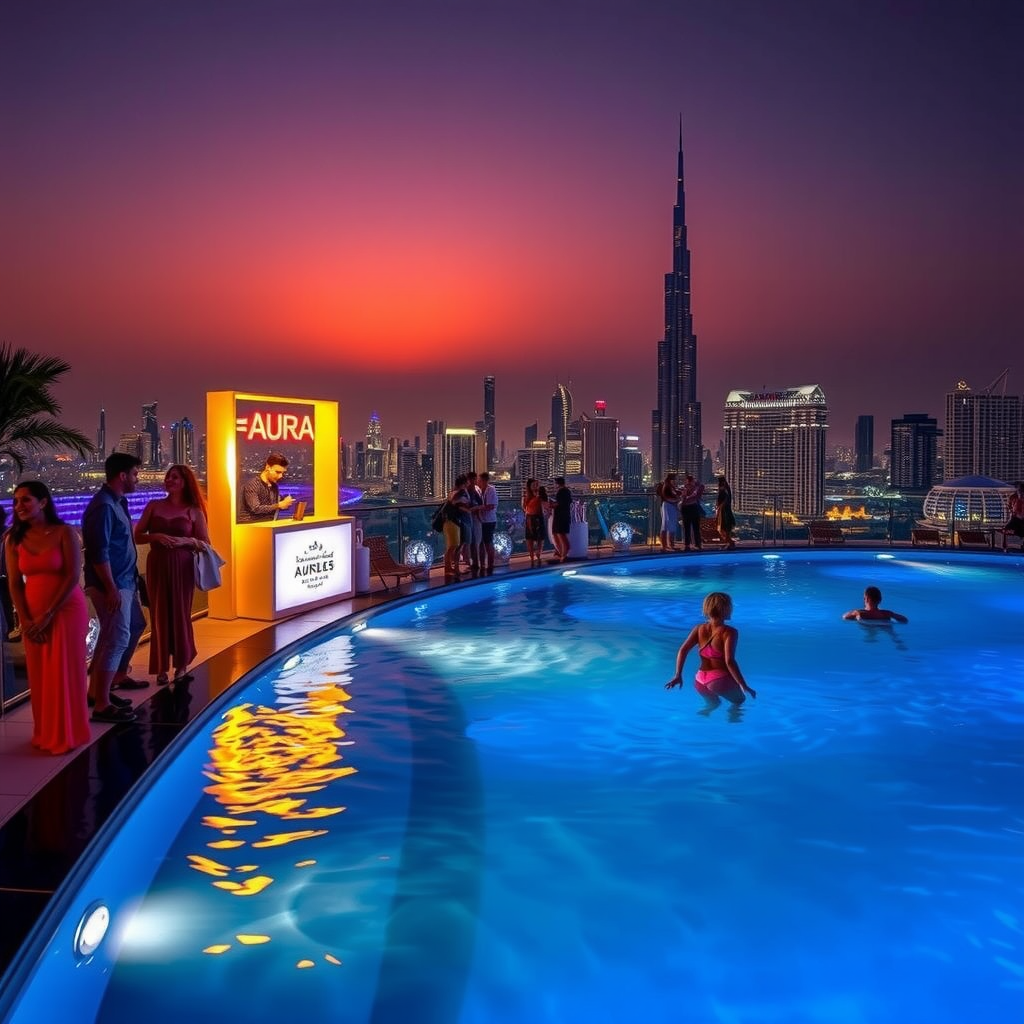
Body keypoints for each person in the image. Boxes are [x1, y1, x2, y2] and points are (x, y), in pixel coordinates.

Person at [3, 482, 91, 753]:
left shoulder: (65, 532)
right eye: (16, 501)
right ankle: (46, 732)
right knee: (41, 674)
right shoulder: (13, 539)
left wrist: (49, 613)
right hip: (32, 612)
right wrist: (26, 620)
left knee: (65, 671)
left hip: (65, 609)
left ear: (43, 502)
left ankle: (69, 733)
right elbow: (15, 583)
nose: (19, 506)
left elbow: (72, 576)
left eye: (26, 500)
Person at [82, 452, 145, 722]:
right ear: (122, 476)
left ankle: (100, 691)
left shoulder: (119, 502)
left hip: (125, 580)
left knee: (133, 626)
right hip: (113, 584)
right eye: (134, 474)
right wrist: (110, 588)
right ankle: (102, 704)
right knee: (115, 638)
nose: (137, 479)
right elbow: (99, 552)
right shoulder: (104, 506)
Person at [135, 464, 211, 685]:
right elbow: (138, 535)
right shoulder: (154, 506)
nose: (169, 480)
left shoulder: (194, 510)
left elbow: (205, 543)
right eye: (168, 476)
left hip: (183, 565)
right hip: (157, 563)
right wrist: (156, 536)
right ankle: (160, 667)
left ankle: (181, 664)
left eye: (174, 477)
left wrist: (185, 541)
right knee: (158, 614)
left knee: (180, 613)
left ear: (185, 482)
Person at [665, 591, 756, 713]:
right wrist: (743, 685)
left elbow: (683, 650)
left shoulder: (699, 629)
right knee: (739, 701)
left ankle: (701, 722)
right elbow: (729, 661)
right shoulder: (729, 632)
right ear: (726, 609)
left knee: (713, 704)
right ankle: (732, 725)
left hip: (700, 680)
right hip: (718, 680)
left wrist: (678, 675)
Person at [238, 453, 294, 523]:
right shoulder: (252, 484)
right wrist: (279, 505)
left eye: (282, 473)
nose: (280, 476)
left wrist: (284, 503)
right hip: (249, 527)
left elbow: (271, 507)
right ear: (267, 467)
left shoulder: (274, 486)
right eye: (278, 472)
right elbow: (256, 508)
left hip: (267, 527)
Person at [443, 475, 472, 582]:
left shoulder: (457, 493)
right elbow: (458, 503)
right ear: (463, 483)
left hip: (455, 523)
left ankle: (453, 567)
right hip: (452, 522)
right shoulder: (456, 493)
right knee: (453, 546)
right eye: (466, 482)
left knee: (455, 546)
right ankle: (448, 568)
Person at [843, 586, 908, 623]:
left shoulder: (859, 613)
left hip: (866, 624)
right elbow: (904, 619)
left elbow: (845, 617)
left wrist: (854, 612)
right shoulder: (887, 613)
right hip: (884, 624)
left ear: (866, 599)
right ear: (880, 600)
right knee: (891, 632)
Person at [478, 471, 498, 573]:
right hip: (482, 520)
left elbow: (491, 506)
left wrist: (478, 508)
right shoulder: (480, 490)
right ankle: (482, 564)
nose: (478, 481)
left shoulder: (491, 490)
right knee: (481, 543)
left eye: (479, 480)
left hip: (489, 520)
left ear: (484, 480)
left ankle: (490, 564)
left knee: (488, 542)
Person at [679, 473, 705, 552]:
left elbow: (683, 500)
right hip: (691, 508)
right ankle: (695, 545)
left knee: (690, 527)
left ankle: (690, 545)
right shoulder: (690, 488)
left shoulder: (691, 488)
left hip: (689, 508)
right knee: (692, 527)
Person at [522, 478, 545, 567]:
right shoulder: (526, 495)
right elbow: (524, 507)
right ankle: (531, 556)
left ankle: (538, 554)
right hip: (530, 518)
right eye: (534, 484)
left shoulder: (541, 494)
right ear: (530, 486)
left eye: (537, 484)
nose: (536, 486)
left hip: (539, 516)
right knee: (529, 538)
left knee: (540, 537)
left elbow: (545, 503)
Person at [465, 470, 484, 573]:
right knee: (471, 541)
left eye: (474, 479)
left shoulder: (474, 491)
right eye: (472, 479)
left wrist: (473, 509)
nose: (474, 481)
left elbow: (481, 504)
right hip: (469, 519)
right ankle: (473, 563)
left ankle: (476, 563)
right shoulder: (468, 491)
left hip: (475, 518)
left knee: (475, 541)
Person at [657, 473, 682, 551]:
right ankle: (668, 545)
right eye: (674, 479)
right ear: (671, 480)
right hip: (669, 507)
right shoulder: (667, 487)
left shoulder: (669, 486)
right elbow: (667, 498)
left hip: (669, 507)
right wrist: (677, 499)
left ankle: (668, 545)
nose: (675, 481)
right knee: (668, 525)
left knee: (667, 525)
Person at [549, 477, 572, 563]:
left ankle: (563, 554)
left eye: (554, 483)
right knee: (559, 534)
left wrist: (552, 504)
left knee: (560, 535)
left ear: (557, 484)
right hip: (564, 516)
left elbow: (559, 504)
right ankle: (561, 553)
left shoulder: (561, 492)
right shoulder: (567, 491)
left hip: (560, 516)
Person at [715, 474, 736, 549]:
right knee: (724, 528)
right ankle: (728, 543)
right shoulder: (725, 489)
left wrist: (720, 507)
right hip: (723, 510)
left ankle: (729, 542)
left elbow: (725, 500)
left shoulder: (724, 489)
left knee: (724, 527)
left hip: (724, 511)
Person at [1003, 481, 1024, 551]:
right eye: (1020, 491)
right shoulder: (1013, 497)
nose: (1021, 493)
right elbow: (1009, 506)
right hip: (1015, 518)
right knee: (1006, 529)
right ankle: (1005, 546)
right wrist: (1013, 513)